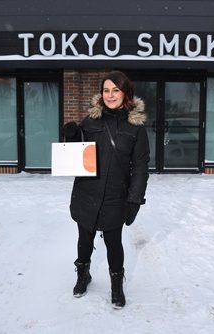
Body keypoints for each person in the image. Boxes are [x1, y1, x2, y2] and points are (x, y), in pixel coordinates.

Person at [63, 71, 150, 309]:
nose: (110, 95)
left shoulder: (136, 129)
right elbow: (75, 153)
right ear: (101, 94)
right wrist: (71, 135)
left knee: (114, 242)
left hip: (115, 196)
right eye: (106, 90)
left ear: (126, 93)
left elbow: (141, 168)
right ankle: (83, 274)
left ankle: (116, 284)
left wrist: (134, 199)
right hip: (86, 192)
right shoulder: (90, 122)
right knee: (84, 239)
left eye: (116, 90)